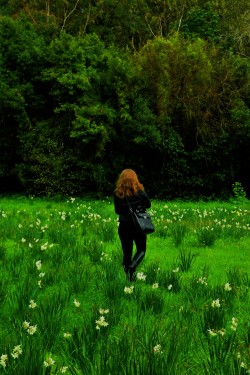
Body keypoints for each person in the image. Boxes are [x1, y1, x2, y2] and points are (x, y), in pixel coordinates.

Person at [114, 169, 151, 281]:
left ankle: (129, 278)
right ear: (135, 178)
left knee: (127, 253)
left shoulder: (117, 193)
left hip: (124, 226)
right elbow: (148, 204)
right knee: (141, 249)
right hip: (138, 225)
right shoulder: (139, 190)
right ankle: (132, 267)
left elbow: (117, 211)